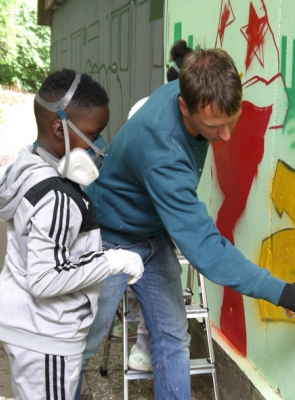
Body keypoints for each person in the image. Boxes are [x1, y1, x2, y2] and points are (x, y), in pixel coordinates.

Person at [78, 48, 295, 399]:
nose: (226, 135)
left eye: (232, 120)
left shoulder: (195, 86)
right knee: (83, 343)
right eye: (214, 127)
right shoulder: (163, 152)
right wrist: (284, 293)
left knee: (173, 338)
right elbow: (206, 250)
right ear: (184, 106)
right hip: (111, 238)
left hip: (153, 234)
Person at [0, 68, 144, 400]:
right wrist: (113, 261)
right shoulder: (57, 196)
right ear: (60, 128)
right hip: (45, 335)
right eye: (93, 134)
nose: (99, 147)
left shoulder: (29, 164)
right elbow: (45, 279)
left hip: (25, 324)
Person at [108, 39, 194, 373]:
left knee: (169, 332)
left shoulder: (157, 108)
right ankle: (137, 330)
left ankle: (137, 327)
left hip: (150, 223)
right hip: (128, 224)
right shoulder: (153, 120)